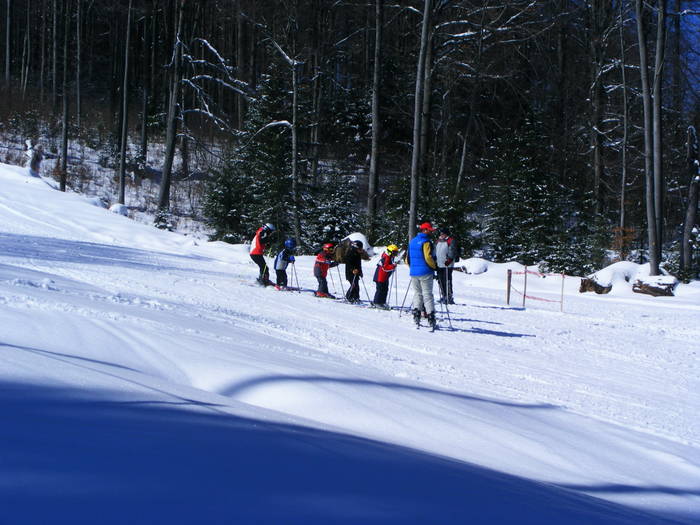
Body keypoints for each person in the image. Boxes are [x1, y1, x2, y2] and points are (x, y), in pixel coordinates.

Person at [407, 222, 437, 328]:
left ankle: (416, 313)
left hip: (414, 272)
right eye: (429, 230)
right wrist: (434, 266)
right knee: (427, 294)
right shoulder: (426, 242)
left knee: (417, 293)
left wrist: (413, 268)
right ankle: (431, 316)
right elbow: (428, 257)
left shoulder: (412, 241)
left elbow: (407, 259)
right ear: (424, 230)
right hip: (425, 271)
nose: (431, 232)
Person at [435, 229, 459, 304]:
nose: (441, 235)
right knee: (440, 280)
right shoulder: (438, 241)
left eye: (443, 234)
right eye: (441, 234)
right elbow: (435, 250)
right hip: (439, 264)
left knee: (447, 280)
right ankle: (444, 295)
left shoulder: (450, 241)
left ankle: (449, 296)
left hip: (447, 265)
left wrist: (449, 259)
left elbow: (452, 251)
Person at [372, 244, 398, 308]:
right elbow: (385, 267)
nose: (395, 255)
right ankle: (377, 302)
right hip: (380, 277)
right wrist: (393, 266)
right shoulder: (386, 257)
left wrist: (392, 266)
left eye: (396, 253)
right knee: (380, 290)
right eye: (394, 253)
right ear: (390, 252)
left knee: (385, 289)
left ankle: (382, 302)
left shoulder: (390, 257)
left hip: (385, 277)